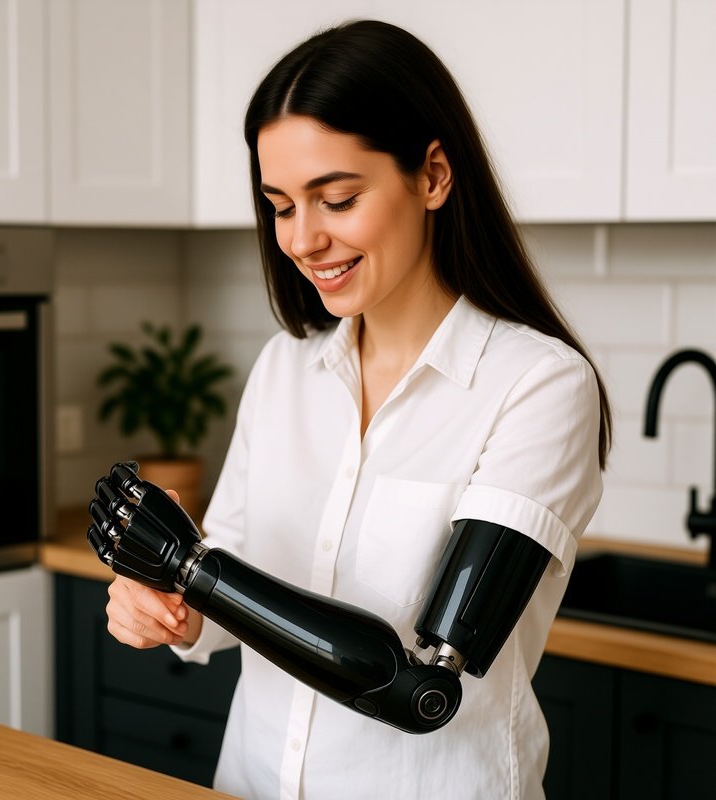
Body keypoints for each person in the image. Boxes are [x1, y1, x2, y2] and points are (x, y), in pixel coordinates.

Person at [104, 19, 611, 800]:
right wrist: (171, 604)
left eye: (335, 198)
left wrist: (194, 567)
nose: (303, 239)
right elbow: (226, 584)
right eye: (279, 206)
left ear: (434, 175)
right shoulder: (285, 371)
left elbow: (421, 689)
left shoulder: (538, 386)